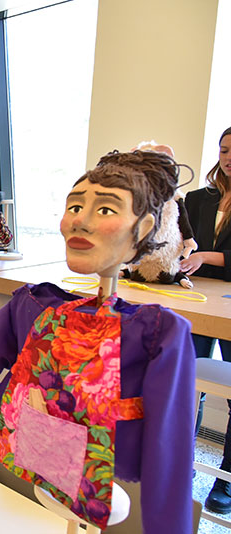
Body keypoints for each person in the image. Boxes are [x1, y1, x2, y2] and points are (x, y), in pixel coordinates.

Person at [0, 150, 195, 533]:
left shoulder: (156, 332)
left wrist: (166, 524)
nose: (80, 220)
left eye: (106, 210)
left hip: (103, 472)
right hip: (35, 453)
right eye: (75, 205)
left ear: (145, 227)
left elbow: (172, 440)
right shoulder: (33, 303)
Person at [181, 126, 231, 514]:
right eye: (224, 149)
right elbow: (183, 240)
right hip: (194, 298)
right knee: (185, 385)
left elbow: (206, 253)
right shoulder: (199, 197)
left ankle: (225, 482)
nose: (228, 157)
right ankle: (178, 466)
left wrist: (206, 257)